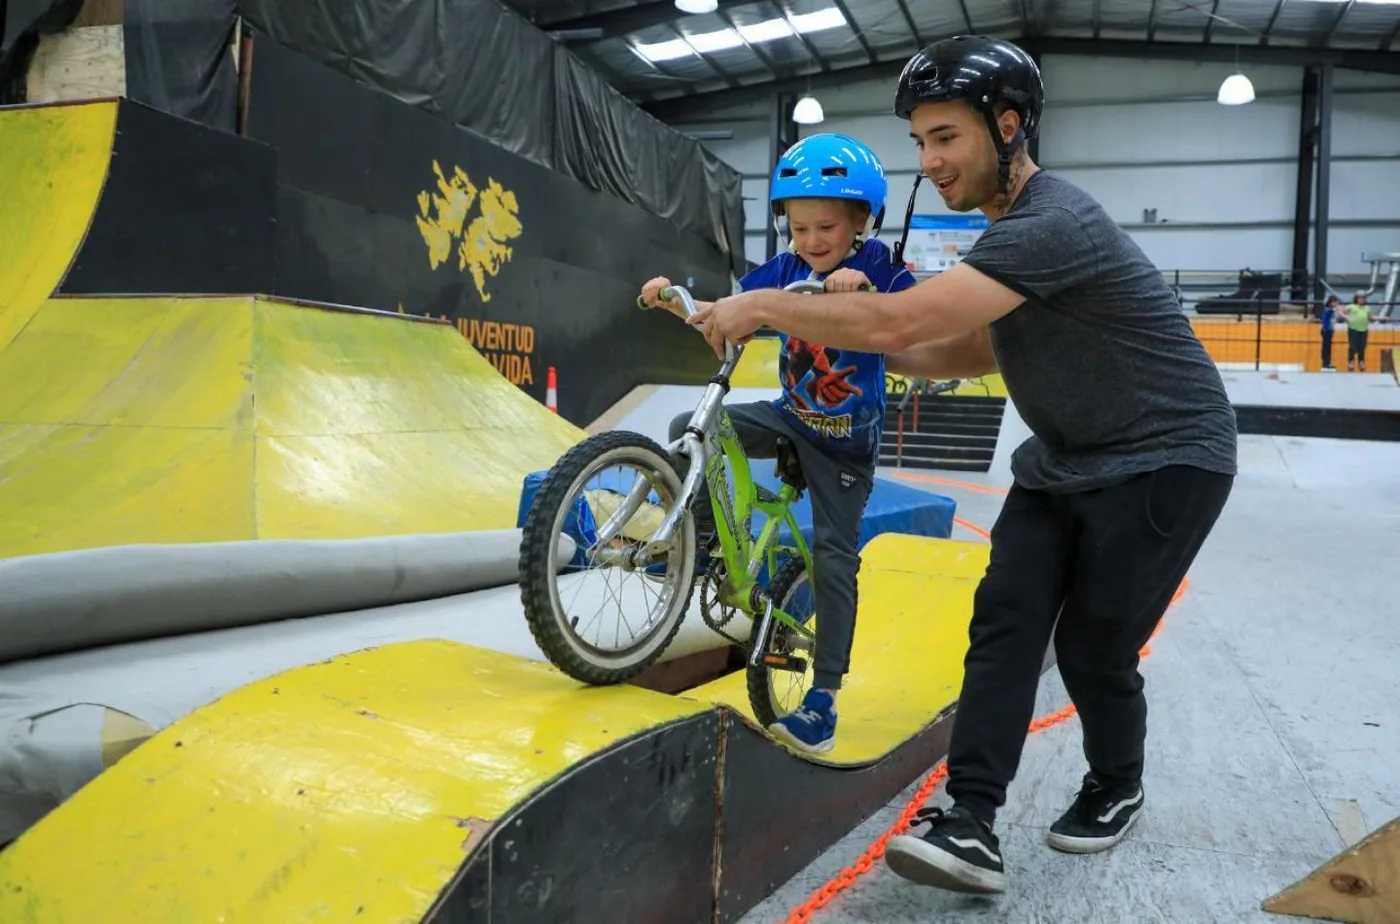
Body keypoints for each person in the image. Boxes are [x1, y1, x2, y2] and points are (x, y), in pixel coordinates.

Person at [685, 36, 1239, 895]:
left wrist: (765, 305)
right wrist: (871, 346)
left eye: (946, 137)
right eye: (919, 142)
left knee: (1092, 649)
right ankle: (970, 821)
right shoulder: (1007, 238)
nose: (929, 161)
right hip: (1062, 461)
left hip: (1166, 457)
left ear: (1008, 126)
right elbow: (968, 348)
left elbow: (907, 323)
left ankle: (1116, 782)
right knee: (1004, 622)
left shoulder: (1051, 221)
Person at [637, 132, 916, 754]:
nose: (812, 242)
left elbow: (912, 311)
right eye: (799, 229)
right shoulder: (786, 271)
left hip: (845, 446)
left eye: (826, 228)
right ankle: (699, 539)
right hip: (792, 417)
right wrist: (675, 300)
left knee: (836, 556)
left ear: (861, 223)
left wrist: (860, 290)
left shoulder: (877, 268)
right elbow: (728, 309)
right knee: (699, 421)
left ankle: (824, 697)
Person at [1345, 292, 1371, 371]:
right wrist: (1347, 317)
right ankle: (1351, 362)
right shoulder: (1352, 306)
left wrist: (1382, 317)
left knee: (1362, 347)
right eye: (1360, 298)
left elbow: (1371, 317)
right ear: (1356, 299)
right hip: (1353, 329)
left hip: (1364, 329)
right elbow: (1341, 311)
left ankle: (1361, 362)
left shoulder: (1367, 308)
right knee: (1353, 346)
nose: (1361, 299)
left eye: (1363, 298)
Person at [1319, 295, 1338, 371]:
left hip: (1330, 330)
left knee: (1328, 347)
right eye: (1334, 302)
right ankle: (1325, 363)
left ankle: (1328, 362)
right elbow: (1332, 311)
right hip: (1326, 330)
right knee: (1326, 347)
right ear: (1329, 302)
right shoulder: (1328, 309)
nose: (1335, 303)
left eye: (1335, 302)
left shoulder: (1330, 310)